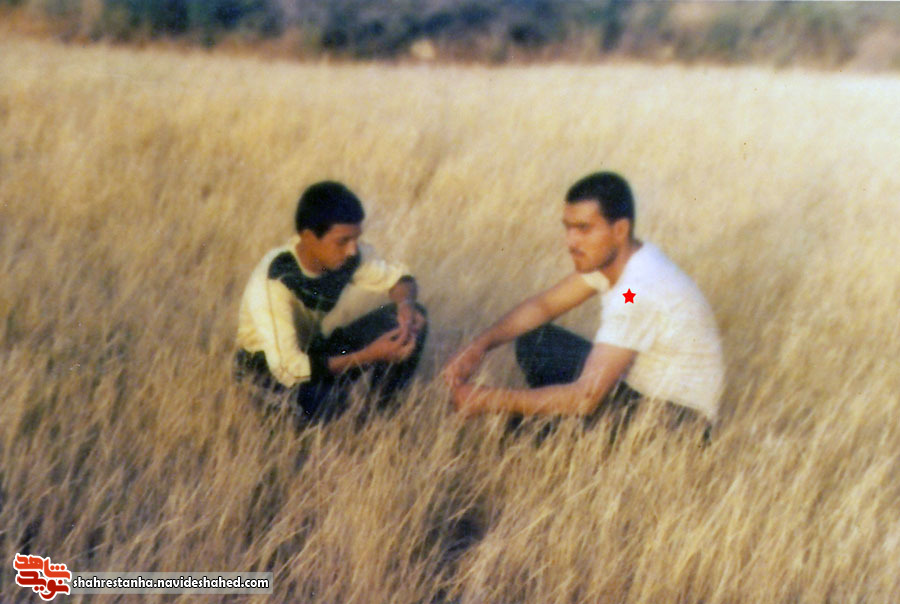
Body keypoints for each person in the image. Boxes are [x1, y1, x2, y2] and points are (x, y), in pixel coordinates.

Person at [442, 171, 723, 442]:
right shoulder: (620, 260)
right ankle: (549, 417)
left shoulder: (636, 291)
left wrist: (488, 399)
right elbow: (544, 306)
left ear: (620, 230)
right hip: (642, 394)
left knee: (523, 430)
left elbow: (585, 398)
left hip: (677, 425)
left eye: (584, 229)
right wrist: (480, 345)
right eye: (568, 228)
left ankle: (550, 426)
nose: (571, 241)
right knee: (535, 340)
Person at [235, 181, 427, 424]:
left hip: (313, 351)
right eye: (343, 241)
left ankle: (382, 415)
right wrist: (369, 355)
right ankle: (328, 404)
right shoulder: (275, 280)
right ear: (308, 237)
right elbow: (288, 369)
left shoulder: (346, 256)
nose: (352, 250)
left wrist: (405, 306)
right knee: (319, 411)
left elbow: (400, 279)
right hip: (266, 370)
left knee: (413, 318)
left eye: (356, 239)